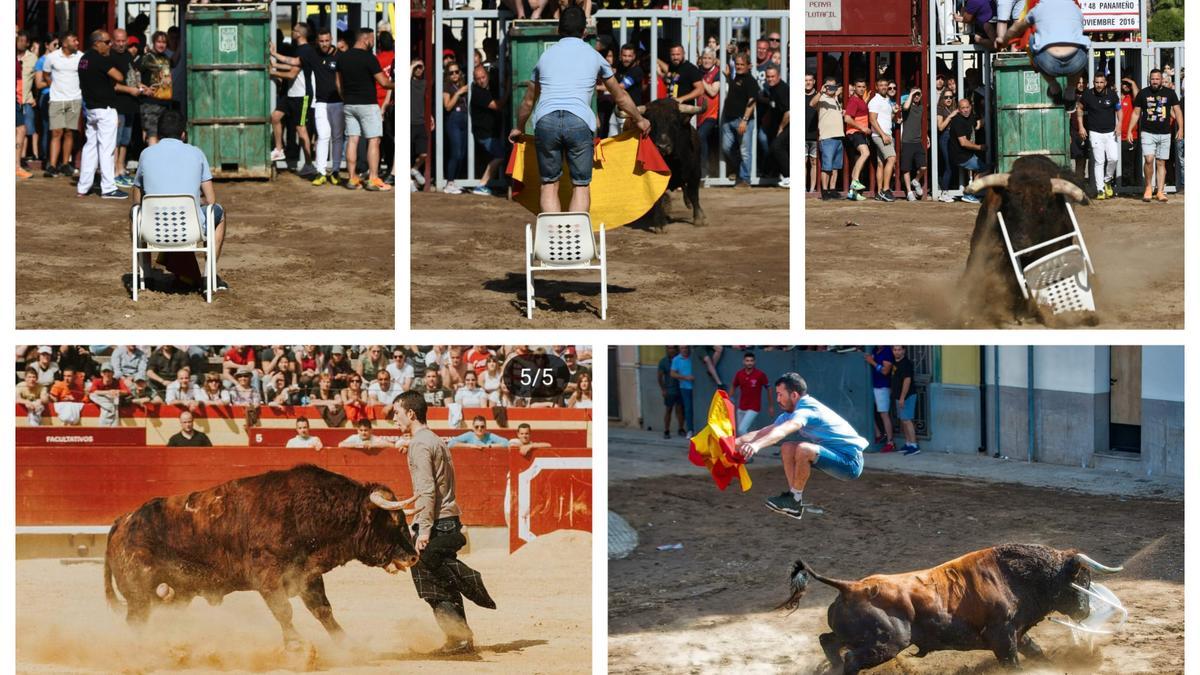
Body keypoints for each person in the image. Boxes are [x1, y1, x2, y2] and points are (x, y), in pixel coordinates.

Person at [509, 6, 649, 214]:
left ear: (558, 31)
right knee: (581, 184)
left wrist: (518, 128)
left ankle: (553, 239)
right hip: (579, 120)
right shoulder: (595, 56)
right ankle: (576, 236)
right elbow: (620, 96)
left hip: (546, 120)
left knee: (549, 184)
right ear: (585, 32)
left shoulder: (545, 58)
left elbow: (528, 102)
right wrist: (639, 119)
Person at [393, 391, 496, 654]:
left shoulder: (420, 444)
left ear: (411, 413)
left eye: (397, 412)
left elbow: (427, 491)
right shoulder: (434, 440)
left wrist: (423, 529)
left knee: (430, 582)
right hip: (449, 519)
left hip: (436, 522)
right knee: (443, 580)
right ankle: (460, 637)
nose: (394, 418)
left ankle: (458, 638)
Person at [734, 373, 868, 520]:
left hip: (850, 463)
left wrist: (756, 446)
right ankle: (794, 500)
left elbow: (784, 430)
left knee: (804, 449)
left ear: (794, 395)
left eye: (780, 395)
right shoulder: (791, 413)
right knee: (787, 448)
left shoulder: (806, 409)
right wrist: (732, 443)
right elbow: (761, 433)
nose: (777, 399)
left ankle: (794, 500)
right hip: (833, 454)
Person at [131, 109, 229, 291]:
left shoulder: (146, 154)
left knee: (136, 213)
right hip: (190, 228)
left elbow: (137, 197)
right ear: (183, 134)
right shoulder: (197, 153)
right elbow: (211, 200)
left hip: (153, 228)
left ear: (158, 135)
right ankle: (208, 276)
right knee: (219, 213)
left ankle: (146, 275)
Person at [77, 30, 144, 199]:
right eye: (107, 42)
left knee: (90, 147)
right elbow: (119, 76)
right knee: (106, 149)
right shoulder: (99, 58)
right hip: (104, 108)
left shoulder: (83, 59)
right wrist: (108, 61)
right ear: (97, 43)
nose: (110, 45)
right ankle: (108, 187)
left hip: (91, 108)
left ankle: (83, 187)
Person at [1000, 0, 1089, 107]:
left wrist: (1003, 41)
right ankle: (1070, 91)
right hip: (1076, 63)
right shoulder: (1074, 6)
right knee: (1080, 42)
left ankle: (1053, 85)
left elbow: (1017, 28)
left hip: (1048, 63)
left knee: (1032, 37)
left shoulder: (1038, 6)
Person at [337, 28, 394, 191]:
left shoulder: (342, 57)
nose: (373, 43)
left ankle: (352, 178)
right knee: (374, 140)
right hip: (368, 104)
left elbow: (338, 84)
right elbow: (383, 82)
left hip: (349, 104)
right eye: (372, 40)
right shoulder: (370, 58)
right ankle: (373, 179)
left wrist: (346, 98)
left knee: (352, 140)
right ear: (366, 39)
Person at [269, 24, 320, 178]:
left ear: (299, 34)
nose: (291, 32)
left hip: (302, 96)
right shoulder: (299, 49)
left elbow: (292, 71)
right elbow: (291, 63)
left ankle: (309, 164)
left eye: (294, 30)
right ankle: (279, 150)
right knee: (275, 117)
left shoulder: (307, 50)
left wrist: (273, 68)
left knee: (301, 129)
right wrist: (274, 60)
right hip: (291, 94)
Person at [1128, 69, 1184, 202]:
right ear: (1149, 80)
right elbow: (1136, 113)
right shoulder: (1143, 93)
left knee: (1161, 162)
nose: (1155, 81)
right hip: (1147, 132)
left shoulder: (1170, 93)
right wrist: (1130, 129)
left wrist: (1181, 128)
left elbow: (1177, 111)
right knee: (1148, 160)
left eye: (1157, 79)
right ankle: (1148, 187)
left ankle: (1160, 191)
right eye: (1152, 79)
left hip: (1165, 133)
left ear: (1161, 80)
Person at [41, 31, 82, 178]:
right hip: (57, 99)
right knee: (56, 132)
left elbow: (85, 74)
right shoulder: (52, 57)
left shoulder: (81, 56)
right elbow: (46, 74)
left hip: (74, 99)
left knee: (70, 132)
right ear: (65, 43)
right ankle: (52, 165)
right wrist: (53, 86)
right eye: (74, 40)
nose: (77, 43)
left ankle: (65, 164)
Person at [310, 28, 345, 186]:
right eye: (321, 41)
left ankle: (336, 170)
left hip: (338, 101)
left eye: (326, 40)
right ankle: (321, 172)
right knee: (323, 136)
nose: (324, 44)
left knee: (337, 137)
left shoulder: (340, 55)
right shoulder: (314, 54)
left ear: (331, 39)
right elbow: (296, 62)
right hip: (321, 102)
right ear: (318, 41)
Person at [1077, 72, 1119, 200]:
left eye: (1101, 82)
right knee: (1099, 161)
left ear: (1105, 83)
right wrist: (1081, 126)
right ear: (1093, 83)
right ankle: (1100, 189)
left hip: (1110, 132)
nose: (1099, 85)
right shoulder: (1088, 94)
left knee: (1113, 158)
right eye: (1097, 82)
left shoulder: (1112, 94)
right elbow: (1079, 108)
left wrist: (1120, 124)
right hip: (1094, 133)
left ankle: (1107, 181)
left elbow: (1119, 110)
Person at [720, 53, 759, 187]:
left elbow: (752, 101)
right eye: (737, 64)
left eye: (742, 64)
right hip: (728, 119)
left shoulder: (750, 80)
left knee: (745, 152)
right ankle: (738, 171)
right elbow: (735, 88)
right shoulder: (736, 77)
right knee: (726, 147)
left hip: (742, 120)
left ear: (749, 66)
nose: (739, 67)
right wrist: (727, 77)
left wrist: (744, 120)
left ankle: (744, 180)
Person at [469, 65, 506, 195]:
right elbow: (498, 105)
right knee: (500, 155)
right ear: (474, 80)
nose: (481, 80)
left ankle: (486, 183)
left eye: (483, 77)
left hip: (491, 132)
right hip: (485, 134)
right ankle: (481, 185)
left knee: (499, 156)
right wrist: (508, 92)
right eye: (478, 79)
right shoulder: (478, 93)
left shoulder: (488, 88)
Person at [109, 29, 138, 188]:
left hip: (130, 103)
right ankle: (113, 171)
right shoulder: (109, 57)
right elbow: (111, 85)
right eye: (117, 41)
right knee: (115, 140)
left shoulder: (128, 56)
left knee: (125, 140)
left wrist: (140, 87)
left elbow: (132, 78)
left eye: (123, 41)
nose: (120, 44)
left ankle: (121, 169)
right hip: (117, 104)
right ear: (112, 41)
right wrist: (130, 90)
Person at [812, 76, 846, 200]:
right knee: (827, 167)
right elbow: (811, 103)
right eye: (828, 86)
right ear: (824, 87)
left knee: (836, 167)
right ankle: (824, 191)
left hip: (839, 137)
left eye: (833, 86)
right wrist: (821, 91)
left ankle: (832, 190)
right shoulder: (822, 98)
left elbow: (843, 88)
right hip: (827, 137)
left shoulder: (836, 100)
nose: (831, 88)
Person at [137, 31, 172, 146]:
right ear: (153, 43)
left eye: (164, 42)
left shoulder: (166, 58)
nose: (161, 45)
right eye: (159, 42)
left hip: (165, 102)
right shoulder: (147, 58)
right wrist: (142, 88)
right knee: (152, 133)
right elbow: (133, 74)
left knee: (161, 134)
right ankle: (152, 162)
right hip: (150, 103)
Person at [948, 98, 985, 203]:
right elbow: (963, 142)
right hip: (960, 156)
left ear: (970, 107)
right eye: (963, 108)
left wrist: (988, 115)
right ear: (959, 110)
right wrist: (980, 147)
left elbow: (977, 125)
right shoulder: (957, 121)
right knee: (985, 169)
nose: (966, 110)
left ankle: (971, 191)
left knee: (982, 168)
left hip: (968, 154)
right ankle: (969, 194)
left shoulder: (970, 117)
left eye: (967, 107)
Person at [758, 65, 790, 185]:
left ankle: (789, 176)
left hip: (789, 124)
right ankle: (776, 173)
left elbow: (788, 112)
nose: (770, 79)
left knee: (777, 146)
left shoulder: (782, 89)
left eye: (773, 76)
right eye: (768, 77)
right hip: (779, 124)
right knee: (775, 148)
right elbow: (773, 102)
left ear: (779, 77)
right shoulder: (772, 88)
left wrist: (781, 128)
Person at [868, 78, 898, 201]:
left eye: (886, 85)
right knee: (892, 158)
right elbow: (872, 120)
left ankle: (880, 192)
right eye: (881, 85)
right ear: (876, 87)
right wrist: (883, 135)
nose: (884, 87)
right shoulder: (875, 101)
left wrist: (894, 113)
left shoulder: (886, 100)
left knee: (881, 163)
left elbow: (885, 119)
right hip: (881, 135)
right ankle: (886, 190)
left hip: (885, 134)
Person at [441, 61, 469, 193]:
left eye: (456, 72)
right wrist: (458, 93)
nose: (454, 75)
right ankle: (449, 182)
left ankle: (454, 181)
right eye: (451, 73)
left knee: (462, 153)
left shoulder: (462, 84)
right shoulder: (447, 86)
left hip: (464, 118)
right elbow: (447, 106)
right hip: (453, 119)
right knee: (456, 152)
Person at [843, 78, 872, 201]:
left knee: (858, 160)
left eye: (863, 87)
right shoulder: (854, 101)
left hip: (857, 133)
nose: (861, 89)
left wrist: (866, 100)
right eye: (859, 86)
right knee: (866, 153)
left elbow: (859, 112)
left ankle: (853, 192)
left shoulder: (859, 100)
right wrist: (863, 128)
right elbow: (847, 119)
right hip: (855, 133)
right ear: (854, 87)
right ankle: (855, 181)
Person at [730, 351, 771, 436]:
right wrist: (728, 398)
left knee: (742, 429)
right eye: (747, 361)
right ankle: (743, 448)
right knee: (740, 431)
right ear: (744, 362)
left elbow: (769, 388)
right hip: (741, 407)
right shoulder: (739, 374)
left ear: (754, 362)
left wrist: (771, 406)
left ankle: (750, 446)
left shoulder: (760, 374)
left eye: (751, 361)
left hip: (754, 407)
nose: (749, 363)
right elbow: (733, 386)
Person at [899, 86, 928, 201]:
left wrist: (926, 135)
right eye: (914, 94)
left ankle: (915, 180)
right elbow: (905, 106)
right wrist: (911, 94)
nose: (916, 96)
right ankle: (909, 191)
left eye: (918, 94)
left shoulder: (921, 107)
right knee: (906, 168)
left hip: (918, 141)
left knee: (923, 166)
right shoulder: (906, 106)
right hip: (907, 141)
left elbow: (923, 124)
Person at [864, 346, 895, 452]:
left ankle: (890, 442)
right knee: (867, 410)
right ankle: (878, 434)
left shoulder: (887, 351)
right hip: (872, 385)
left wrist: (872, 362)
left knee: (884, 414)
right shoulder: (874, 350)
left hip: (883, 387)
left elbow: (885, 371)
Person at [891, 346, 920, 455]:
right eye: (894, 350)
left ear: (903, 351)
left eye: (899, 349)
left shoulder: (905, 364)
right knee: (903, 420)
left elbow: (907, 381)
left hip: (907, 397)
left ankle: (914, 445)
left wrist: (902, 397)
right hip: (899, 397)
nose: (897, 352)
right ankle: (908, 443)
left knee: (907, 420)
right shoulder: (895, 362)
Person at [936, 87, 959, 200]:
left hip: (955, 138)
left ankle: (949, 189)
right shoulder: (940, 109)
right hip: (945, 137)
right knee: (948, 165)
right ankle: (944, 192)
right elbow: (940, 127)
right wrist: (950, 116)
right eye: (946, 97)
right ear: (942, 99)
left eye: (951, 97)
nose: (949, 99)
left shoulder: (955, 108)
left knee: (954, 164)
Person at [657, 346, 685, 439]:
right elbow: (659, 377)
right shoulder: (663, 362)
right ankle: (666, 430)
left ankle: (681, 429)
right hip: (669, 390)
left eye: (673, 348)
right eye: (669, 348)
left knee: (680, 410)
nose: (671, 350)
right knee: (668, 410)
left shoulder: (681, 359)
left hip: (680, 388)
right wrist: (663, 389)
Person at [669, 346, 695, 436]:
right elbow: (672, 373)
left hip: (697, 388)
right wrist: (685, 377)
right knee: (688, 409)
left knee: (697, 408)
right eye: (682, 348)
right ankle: (690, 430)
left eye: (686, 348)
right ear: (679, 349)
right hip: (685, 387)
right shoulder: (676, 359)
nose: (685, 350)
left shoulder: (693, 357)